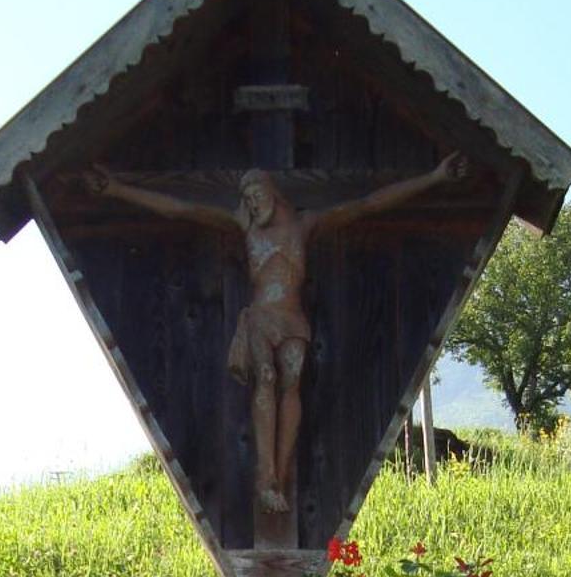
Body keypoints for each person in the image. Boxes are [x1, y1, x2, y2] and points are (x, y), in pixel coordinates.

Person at [85, 153, 467, 512]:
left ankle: (279, 477)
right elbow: (181, 208)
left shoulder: (306, 225)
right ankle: (265, 476)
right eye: (247, 199)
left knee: (292, 383)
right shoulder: (244, 227)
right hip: (260, 319)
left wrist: (433, 177)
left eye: (256, 195)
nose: (252, 205)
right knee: (265, 377)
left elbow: (367, 204)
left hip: (293, 319)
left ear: (273, 192)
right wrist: (116, 189)